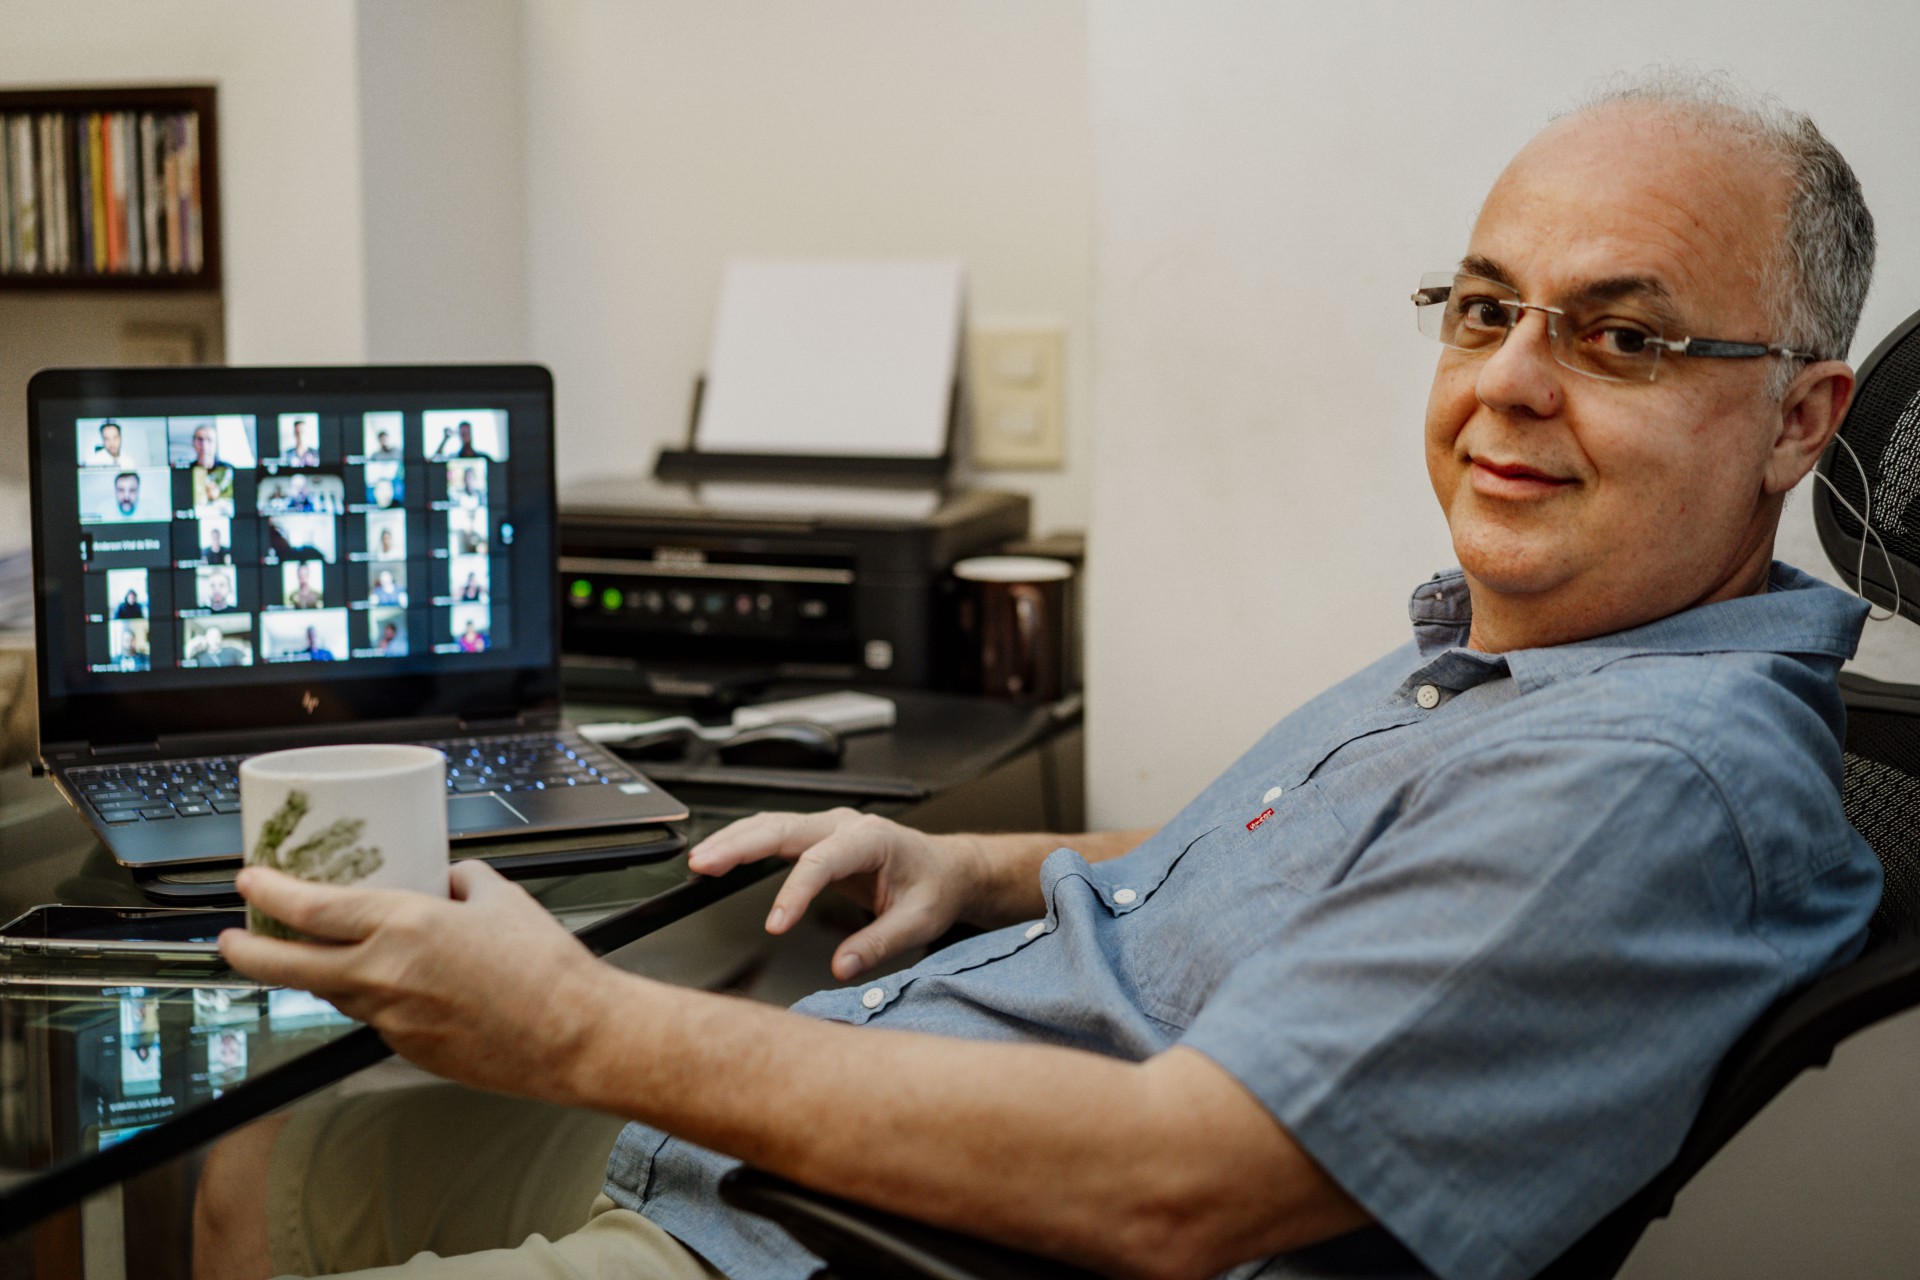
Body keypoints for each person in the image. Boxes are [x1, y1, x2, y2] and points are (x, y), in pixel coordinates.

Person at [198, 78, 1884, 1280]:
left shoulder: (1645, 778)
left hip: (897, 1238)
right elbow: (1331, 887)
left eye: (1619, 335)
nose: (1507, 386)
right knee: (267, 1160)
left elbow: (1176, 1189)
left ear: (1802, 419)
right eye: (1484, 307)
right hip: (841, 1136)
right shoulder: (1543, 663)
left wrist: (574, 1025)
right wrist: (980, 863)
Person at [191, 424, 237, 515]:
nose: (204, 445)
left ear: (216, 444)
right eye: (200, 439)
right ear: (193, 443)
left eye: (209, 440)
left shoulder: (228, 469)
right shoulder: (188, 470)